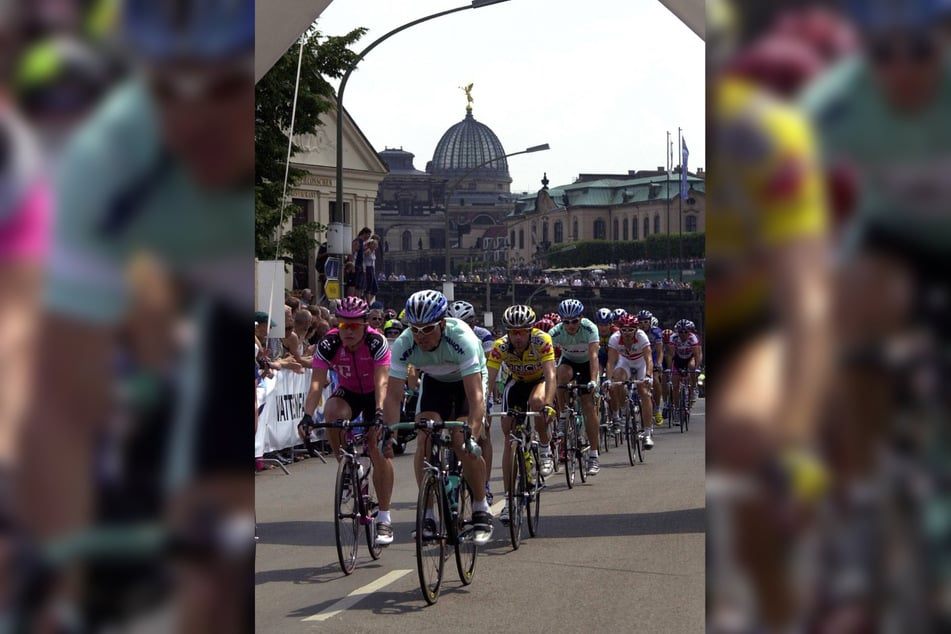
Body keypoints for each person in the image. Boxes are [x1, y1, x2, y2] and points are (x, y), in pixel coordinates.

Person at [20, 0, 256, 629]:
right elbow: (58, 393)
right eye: (168, 93)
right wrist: (60, 583)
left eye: (223, 89)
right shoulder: (109, 153)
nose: (193, 118)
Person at [381, 290, 493, 546]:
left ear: (442, 324)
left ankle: (480, 506)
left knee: (461, 438)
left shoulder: (461, 338)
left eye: (428, 329)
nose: (420, 336)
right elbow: (393, 396)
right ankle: (428, 514)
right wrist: (390, 434)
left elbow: (476, 398)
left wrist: (472, 436)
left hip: (467, 381)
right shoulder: (404, 343)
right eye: (415, 329)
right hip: (435, 382)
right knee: (425, 434)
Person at [298, 297, 394, 544]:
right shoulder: (329, 342)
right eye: (343, 326)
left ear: (365, 325)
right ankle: (348, 466)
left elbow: (382, 381)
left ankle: (384, 518)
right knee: (332, 412)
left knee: (376, 449)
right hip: (349, 392)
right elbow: (317, 383)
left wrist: (381, 411)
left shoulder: (376, 342)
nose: (348, 331)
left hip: (375, 393)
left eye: (353, 326)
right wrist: (307, 415)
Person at [486, 305, 557, 525]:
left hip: (539, 381)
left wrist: (548, 404)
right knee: (509, 437)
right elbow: (488, 379)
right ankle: (508, 501)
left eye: (522, 331)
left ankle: (544, 449)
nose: (517, 337)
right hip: (516, 382)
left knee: (537, 403)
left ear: (530, 330)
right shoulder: (501, 346)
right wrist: (483, 408)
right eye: (513, 332)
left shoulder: (542, 340)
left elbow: (551, 374)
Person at [447, 300, 497, 501]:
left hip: (478, 379)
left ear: (474, 322)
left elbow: (488, 364)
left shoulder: (483, 335)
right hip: (453, 382)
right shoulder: (446, 335)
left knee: (483, 434)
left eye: (465, 322)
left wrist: (489, 393)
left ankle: (484, 482)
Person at [548, 299, 602, 475]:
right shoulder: (555, 332)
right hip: (568, 362)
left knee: (588, 406)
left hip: (587, 364)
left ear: (581, 318)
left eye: (574, 321)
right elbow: (546, 357)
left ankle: (593, 455)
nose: (570, 325)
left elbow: (594, 356)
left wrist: (594, 380)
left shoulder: (590, 329)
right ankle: (564, 414)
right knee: (560, 374)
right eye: (566, 322)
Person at [604, 313, 655, 449]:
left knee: (644, 392)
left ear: (636, 329)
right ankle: (624, 409)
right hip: (625, 361)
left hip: (641, 363)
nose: (627, 333)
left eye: (630, 330)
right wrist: (609, 380)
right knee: (618, 379)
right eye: (624, 330)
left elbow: (649, 358)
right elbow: (610, 362)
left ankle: (648, 432)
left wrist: (649, 376)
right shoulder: (615, 338)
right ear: (620, 329)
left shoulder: (641, 336)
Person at [639, 310, 666, 426]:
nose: (643, 324)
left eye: (646, 322)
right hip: (640, 356)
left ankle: (657, 409)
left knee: (655, 380)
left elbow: (660, 351)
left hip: (653, 357)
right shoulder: (636, 332)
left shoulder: (656, 332)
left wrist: (659, 364)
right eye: (640, 322)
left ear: (650, 322)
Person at [350, 226, 371, 298]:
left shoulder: (362, 243)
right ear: (365, 233)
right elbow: (352, 253)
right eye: (368, 235)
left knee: (359, 285)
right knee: (354, 284)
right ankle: (352, 299)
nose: (368, 237)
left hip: (360, 266)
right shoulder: (357, 241)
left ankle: (357, 299)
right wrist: (352, 265)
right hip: (355, 266)